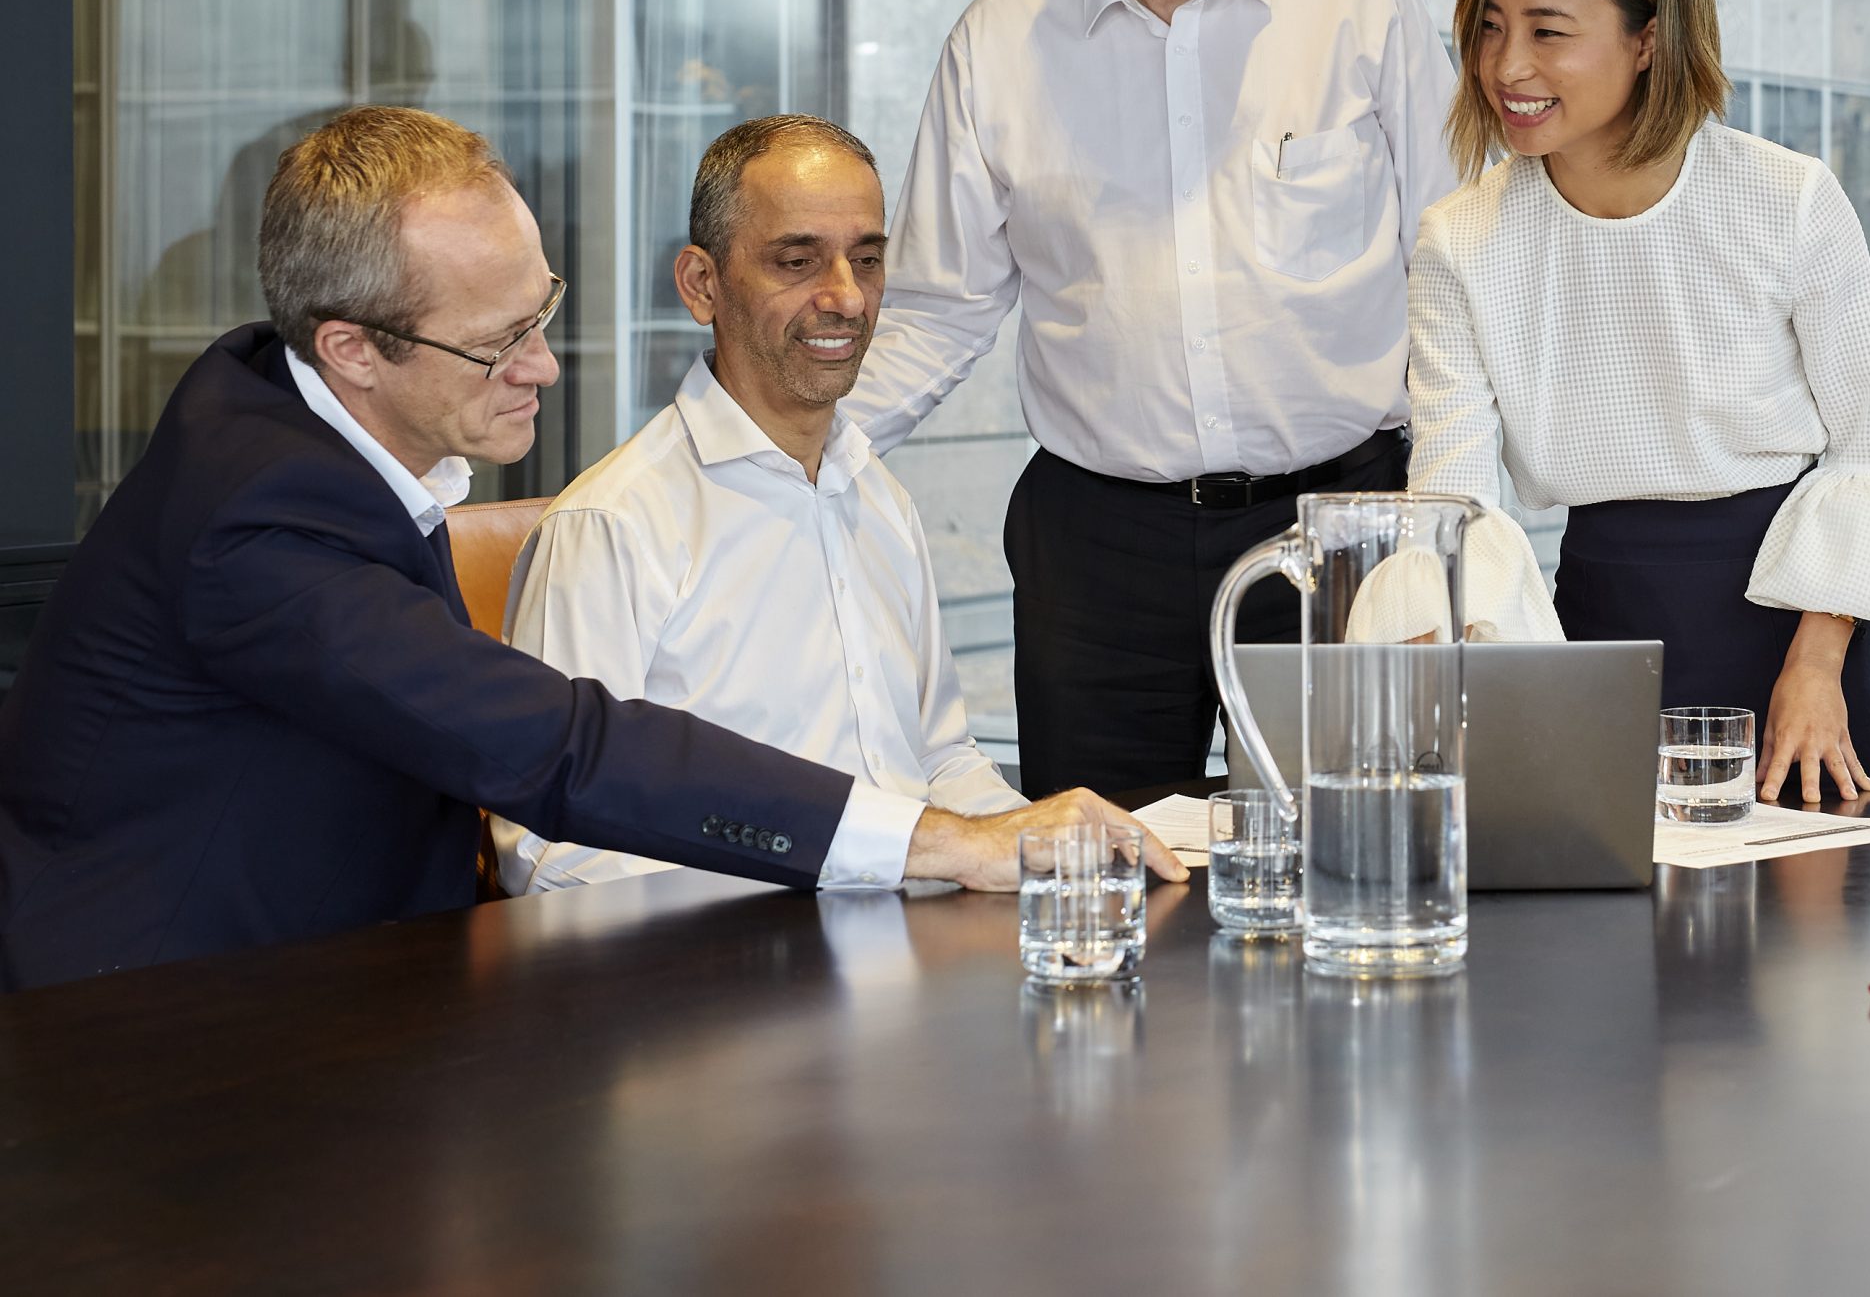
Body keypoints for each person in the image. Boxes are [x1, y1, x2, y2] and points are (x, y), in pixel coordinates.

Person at [0, 108, 1178, 993]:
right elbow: (553, 746)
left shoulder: (290, 407)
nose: (546, 368)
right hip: (153, 1038)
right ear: (354, 348)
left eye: (543, 313)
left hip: (339, 996)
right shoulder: (257, 522)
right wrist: (932, 842)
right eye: (499, 340)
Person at [851, 0, 1458, 798]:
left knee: (1357, 863)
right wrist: (799, 456)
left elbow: (1459, 261)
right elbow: (938, 308)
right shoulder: (996, 44)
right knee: (1102, 878)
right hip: (1099, 551)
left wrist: (1443, 510)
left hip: (1338, 530)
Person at [1406, 0, 1870, 803]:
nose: (1506, 66)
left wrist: (1816, 668)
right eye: (1489, 28)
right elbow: (1457, 507)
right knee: (1598, 938)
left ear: (1649, 40)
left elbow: (1866, 456)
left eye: (1547, 33)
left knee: (1810, 943)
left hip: (1796, 634)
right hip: (1590, 628)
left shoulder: (1786, 199)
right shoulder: (1461, 240)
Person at [496, 115, 1083, 893]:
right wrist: (840, 874)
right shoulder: (612, 526)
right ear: (702, 285)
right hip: (736, 982)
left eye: (866, 260)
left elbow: (940, 761)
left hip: (916, 952)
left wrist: (1058, 855)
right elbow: (550, 859)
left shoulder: (879, 495)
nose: (845, 297)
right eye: (797, 261)